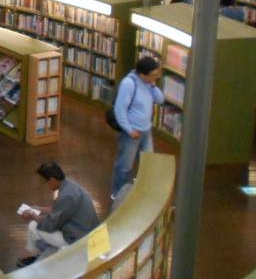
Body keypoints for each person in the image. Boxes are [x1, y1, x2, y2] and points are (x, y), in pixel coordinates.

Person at [17, 162, 100, 266]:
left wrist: (31, 215)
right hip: (87, 233)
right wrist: (40, 209)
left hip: (77, 240)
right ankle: (41, 255)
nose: (47, 185)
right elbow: (59, 210)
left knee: (33, 227)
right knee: (39, 223)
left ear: (52, 180)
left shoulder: (65, 196)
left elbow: (49, 225)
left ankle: (38, 257)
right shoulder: (71, 187)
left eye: (47, 181)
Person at [110, 56, 164, 200]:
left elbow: (160, 99)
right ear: (142, 75)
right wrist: (129, 130)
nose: (156, 77)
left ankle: (143, 191)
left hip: (146, 131)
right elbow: (119, 110)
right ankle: (118, 194)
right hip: (132, 132)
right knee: (125, 166)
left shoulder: (148, 83)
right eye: (154, 74)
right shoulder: (129, 84)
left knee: (148, 164)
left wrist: (153, 85)